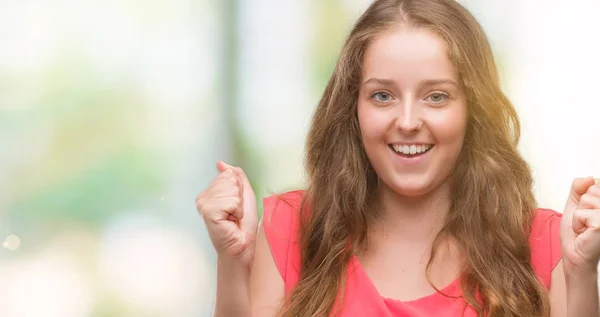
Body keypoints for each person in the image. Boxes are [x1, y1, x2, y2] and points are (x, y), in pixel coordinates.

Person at [196, 0, 600, 316]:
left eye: (436, 96)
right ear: (352, 107)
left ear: (473, 110)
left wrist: (582, 275)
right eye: (382, 95)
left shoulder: (544, 242)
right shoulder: (291, 229)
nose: (407, 121)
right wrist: (233, 261)